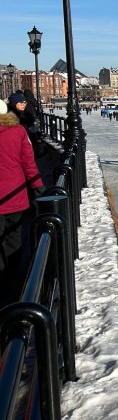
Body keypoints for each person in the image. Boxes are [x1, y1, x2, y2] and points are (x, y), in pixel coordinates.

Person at [0, 99, 45, 307]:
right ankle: (12, 289)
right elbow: (28, 162)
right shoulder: (18, 132)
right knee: (13, 239)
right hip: (14, 196)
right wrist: (37, 186)